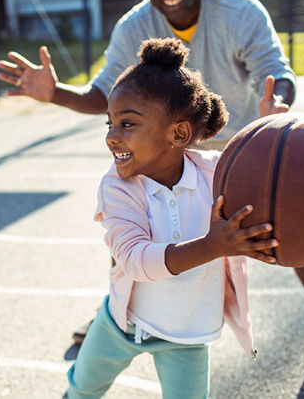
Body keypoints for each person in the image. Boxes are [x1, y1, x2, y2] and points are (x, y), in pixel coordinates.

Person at [0, 0, 304, 370]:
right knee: (133, 227)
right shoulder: (134, 26)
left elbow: (275, 70)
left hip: (238, 147)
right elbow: (102, 92)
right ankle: (117, 313)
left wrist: (276, 105)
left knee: (294, 215)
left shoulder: (239, 11)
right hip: (160, 149)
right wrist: (56, 92)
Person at [67, 37, 276, 398]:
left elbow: (264, 182)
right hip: (123, 323)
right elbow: (134, 260)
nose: (112, 137)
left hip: (186, 334)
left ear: (178, 133)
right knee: (83, 388)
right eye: (110, 124)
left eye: (127, 124)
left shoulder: (216, 175)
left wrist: (273, 136)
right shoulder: (118, 187)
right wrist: (212, 246)